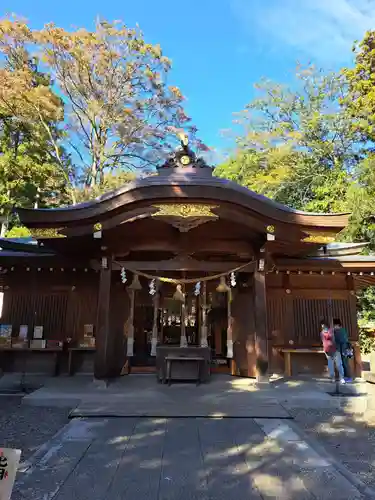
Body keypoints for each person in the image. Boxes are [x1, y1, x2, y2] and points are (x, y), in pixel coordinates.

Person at [320, 319, 345, 384]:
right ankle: (333, 378)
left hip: (335, 349)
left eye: (324, 325)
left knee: (338, 364)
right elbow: (324, 340)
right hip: (328, 350)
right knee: (331, 365)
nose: (323, 327)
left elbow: (335, 337)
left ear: (326, 326)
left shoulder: (332, 331)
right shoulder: (323, 333)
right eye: (322, 326)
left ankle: (341, 378)